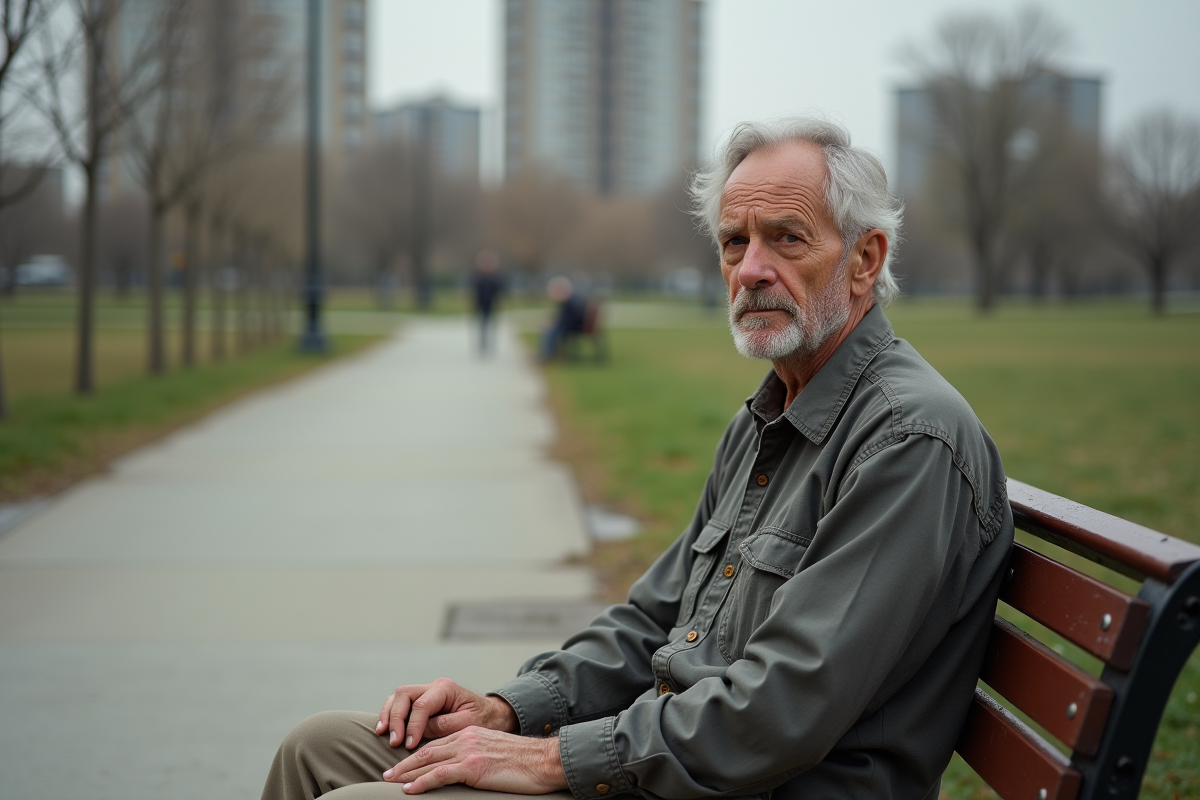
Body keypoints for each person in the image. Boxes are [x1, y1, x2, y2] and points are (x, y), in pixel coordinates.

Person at [262, 116, 1013, 800]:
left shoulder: (910, 441)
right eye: (733, 242)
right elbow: (651, 620)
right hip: (670, 761)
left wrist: (553, 759)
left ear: (863, 259)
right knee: (317, 748)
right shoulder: (765, 419)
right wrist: (507, 709)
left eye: (786, 238)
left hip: (751, 787)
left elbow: (784, 707)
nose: (750, 269)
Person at [539, 276, 588, 362]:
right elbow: (564, 317)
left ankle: (547, 355)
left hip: (576, 326)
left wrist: (555, 324)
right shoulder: (571, 300)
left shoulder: (570, 302)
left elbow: (569, 318)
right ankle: (546, 353)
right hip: (575, 325)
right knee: (549, 329)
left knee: (550, 331)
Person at [472, 251, 504, 355]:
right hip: (481, 305)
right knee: (482, 326)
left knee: (491, 326)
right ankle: (482, 345)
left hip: (492, 305)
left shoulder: (495, 278)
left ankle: (491, 345)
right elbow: (474, 292)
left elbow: (499, 291)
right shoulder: (478, 277)